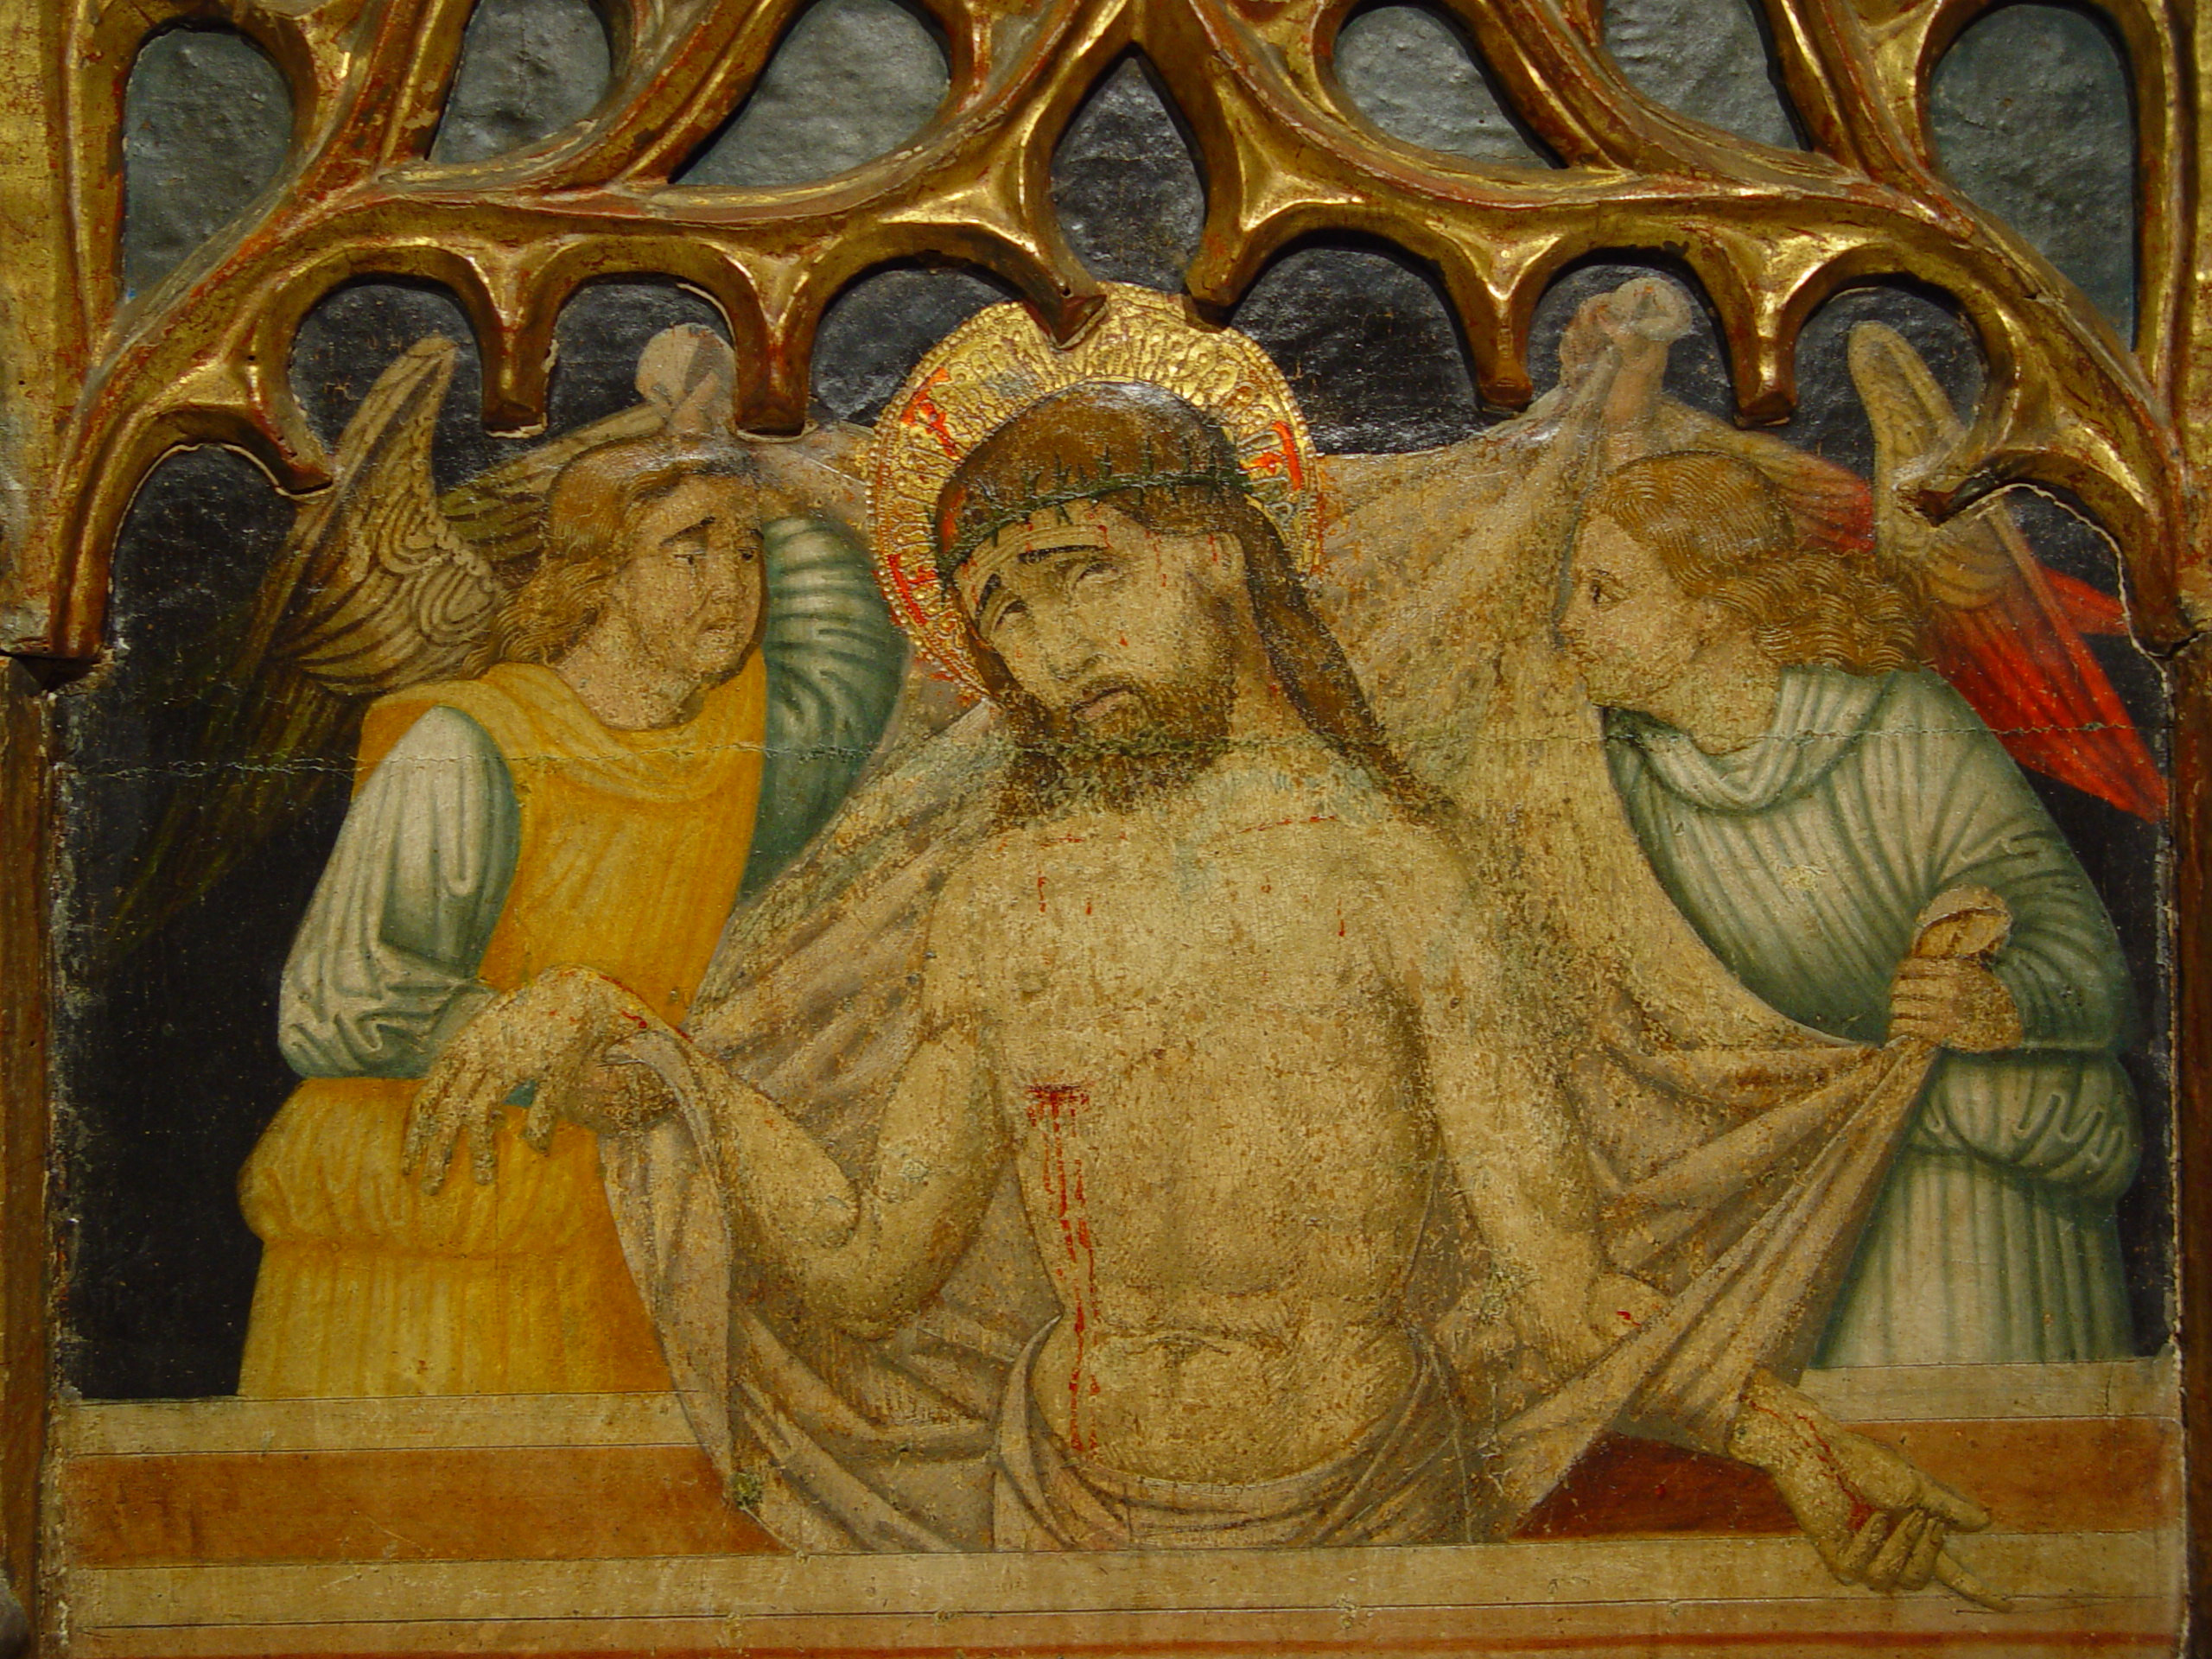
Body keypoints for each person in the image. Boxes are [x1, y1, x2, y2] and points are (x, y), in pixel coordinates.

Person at [406, 383, 1986, 1588]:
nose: (1049, 650)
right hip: (1061, 1504)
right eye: (1007, 616)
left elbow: (1560, 1289)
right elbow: (872, 1269)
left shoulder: (1398, 872)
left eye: (1083, 577)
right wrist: (645, 1045)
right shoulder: (1001, 901)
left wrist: (1791, 1440)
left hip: (1363, 1505)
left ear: (1217, 552)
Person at [1555, 448, 2140, 1366]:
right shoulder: (1607, 779)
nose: (1568, 623)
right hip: (1744, 1201)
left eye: (1604, 593)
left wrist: (2001, 1002)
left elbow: (2089, 964)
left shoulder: (1898, 729)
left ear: (1714, 611)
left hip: (1951, 1186)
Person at [239, 434, 784, 1395]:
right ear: (598, 578)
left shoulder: (732, 745)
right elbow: (336, 996)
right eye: (689, 551)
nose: (730, 586)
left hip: (615, 1236)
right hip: (427, 1237)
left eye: (746, 553)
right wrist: (551, 1061)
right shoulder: (472, 744)